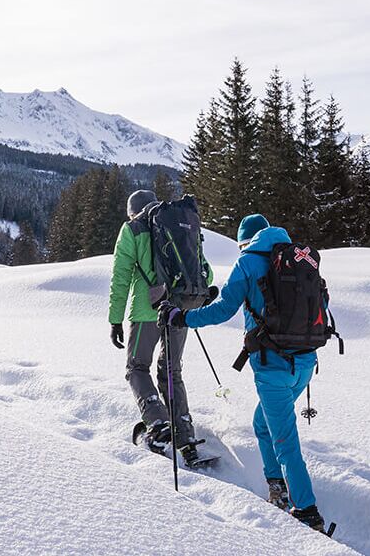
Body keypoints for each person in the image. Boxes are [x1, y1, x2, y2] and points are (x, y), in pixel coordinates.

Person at [157, 214, 327, 532]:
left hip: (272, 367)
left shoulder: (247, 263)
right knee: (262, 424)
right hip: (305, 363)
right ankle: (276, 485)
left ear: (244, 242)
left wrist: (182, 317)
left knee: (285, 439)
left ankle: (306, 510)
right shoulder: (300, 258)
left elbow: (223, 309)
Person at [107, 189, 214, 463]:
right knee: (171, 370)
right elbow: (206, 271)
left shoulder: (132, 229)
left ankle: (157, 424)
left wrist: (115, 319)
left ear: (132, 211)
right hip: (179, 309)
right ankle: (186, 437)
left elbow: (121, 276)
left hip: (147, 311)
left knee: (136, 367)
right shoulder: (178, 223)